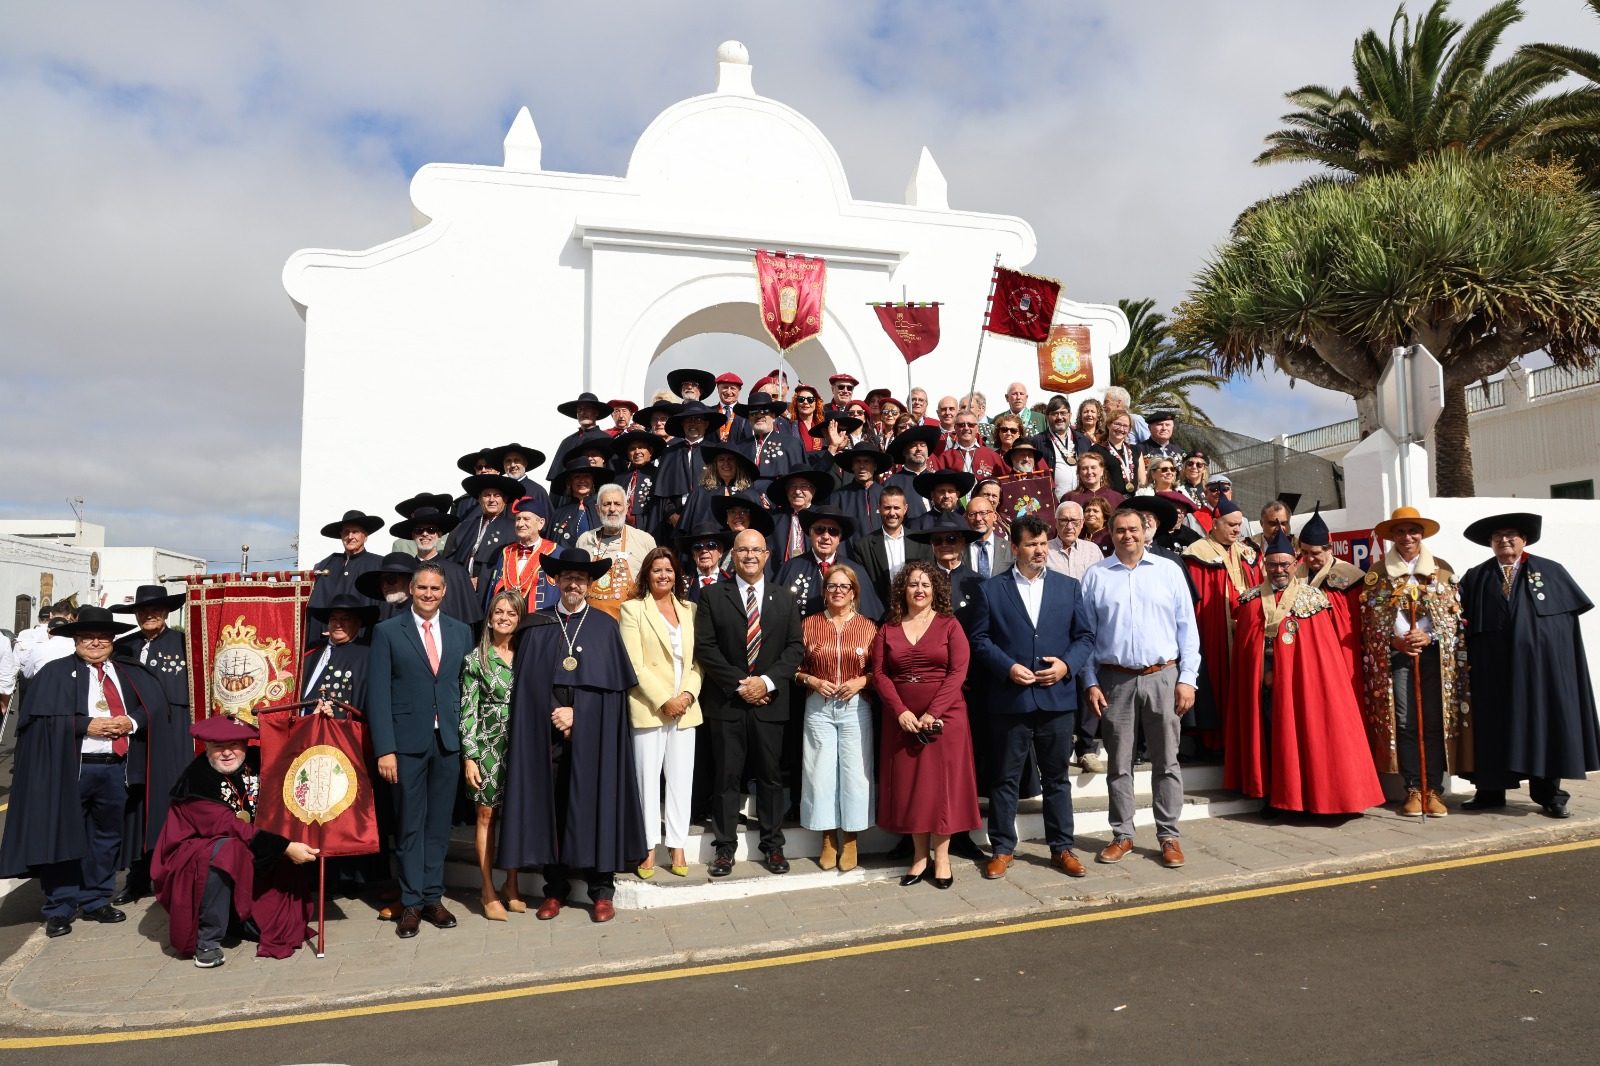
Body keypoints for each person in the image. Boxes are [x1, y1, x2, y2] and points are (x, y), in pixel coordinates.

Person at [0, 606, 168, 938]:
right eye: (88, 637)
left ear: (112, 640)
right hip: (70, 769)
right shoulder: (54, 673)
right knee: (62, 836)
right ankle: (60, 907)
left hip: (115, 769)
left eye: (102, 637)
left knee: (105, 838)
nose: (95, 642)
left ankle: (95, 900)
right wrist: (85, 724)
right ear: (76, 639)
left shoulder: (128, 671)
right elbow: (38, 722)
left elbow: (151, 706)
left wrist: (131, 722)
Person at [498, 549, 645, 923]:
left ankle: (601, 890)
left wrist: (580, 714)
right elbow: (528, 684)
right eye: (567, 577)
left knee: (598, 803)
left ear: (590, 583)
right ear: (555, 581)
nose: (573, 584)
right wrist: (555, 713)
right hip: (546, 734)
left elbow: (614, 694)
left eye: (580, 578)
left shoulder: (604, 626)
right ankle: (555, 889)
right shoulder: (537, 625)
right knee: (555, 807)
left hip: (593, 736)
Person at [968, 515, 1096, 880]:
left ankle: (1062, 848)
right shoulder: (991, 590)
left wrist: (1066, 667)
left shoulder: (1069, 587)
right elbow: (979, 640)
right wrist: (1007, 668)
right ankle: (1003, 849)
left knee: (1057, 778)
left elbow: (1085, 637)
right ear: (1015, 548)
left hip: (1056, 698)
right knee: (1005, 779)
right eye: (1032, 545)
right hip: (1010, 700)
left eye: (1043, 543)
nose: (1040, 550)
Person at [1227, 533, 1385, 816]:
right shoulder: (1251, 601)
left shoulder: (1313, 601)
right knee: (1271, 740)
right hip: (1264, 687)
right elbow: (1246, 650)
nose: (1279, 570)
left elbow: (1322, 653)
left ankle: (1315, 797)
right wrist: (1263, 673)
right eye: (1273, 564)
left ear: (1294, 563)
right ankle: (1277, 798)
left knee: (1309, 737)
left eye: (1285, 564)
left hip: (1303, 687)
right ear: (1265, 565)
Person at [1081, 508, 1201, 869]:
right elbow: (1085, 636)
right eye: (1119, 530)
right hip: (1114, 679)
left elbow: (1188, 631)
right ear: (1111, 534)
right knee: (1119, 763)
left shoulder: (1168, 572)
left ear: (1146, 532)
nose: (1127, 536)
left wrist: (1187, 679)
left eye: (1133, 529)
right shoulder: (1096, 576)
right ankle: (1123, 835)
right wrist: (1089, 680)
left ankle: (1168, 835)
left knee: (1167, 761)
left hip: (1163, 676)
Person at [1459, 512, 1598, 818]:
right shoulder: (1476, 576)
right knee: (1492, 727)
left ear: (1525, 539)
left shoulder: (1551, 571)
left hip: (1539, 672)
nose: (1504, 541)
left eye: (1510, 535)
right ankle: (1490, 791)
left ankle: (1550, 795)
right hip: (1491, 671)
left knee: (1542, 724)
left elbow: (1563, 630)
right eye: (1497, 537)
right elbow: (1458, 619)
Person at [151, 714, 318, 966]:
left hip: (245, 847)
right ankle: (207, 941)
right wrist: (284, 847)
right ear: (206, 747)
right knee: (226, 850)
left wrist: (319, 719)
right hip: (193, 858)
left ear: (245, 745)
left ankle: (238, 919)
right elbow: (230, 827)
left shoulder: (253, 762)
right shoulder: (196, 781)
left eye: (234, 746)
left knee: (276, 929)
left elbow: (296, 749)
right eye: (219, 747)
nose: (227, 753)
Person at [367, 562, 473, 937]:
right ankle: (410, 903)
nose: (429, 594)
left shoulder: (461, 633)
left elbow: (467, 691)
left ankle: (432, 897)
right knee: (410, 826)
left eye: (435, 589)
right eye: (423, 588)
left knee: (438, 826)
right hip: (405, 745)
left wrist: (468, 744)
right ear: (412, 590)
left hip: (447, 742)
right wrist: (385, 749)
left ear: (444, 592)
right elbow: (377, 694)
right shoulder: (387, 632)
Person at [694, 529, 806, 877]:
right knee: (726, 778)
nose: (750, 556)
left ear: (768, 555)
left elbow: (794, 649)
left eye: (756, 550)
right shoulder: (713, 595)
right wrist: (741, 685)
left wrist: (766, 682)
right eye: (743, 550)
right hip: (728, 703)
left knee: (770, 779)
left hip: (770, 702)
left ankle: (772, 847)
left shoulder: (784, 598)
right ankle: (724, 849)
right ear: (733, 554)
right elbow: (706, 647)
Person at [871, 561, 980, 889]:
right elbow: (879, 674)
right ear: (903, 590)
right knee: (912, 788)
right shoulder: (888, 628)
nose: (919, 590)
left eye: (926, 585)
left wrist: (932, 713)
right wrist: (900, 711)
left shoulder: (949, 625)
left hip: (945, 718)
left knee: (942, 789)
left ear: (936, 591)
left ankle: (943, 857)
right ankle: (919, 857)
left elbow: (958, 672)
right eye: (913, 584)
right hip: (902, 721)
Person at [1358, 507, 1469, 818]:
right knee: (1405, 721)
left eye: (1412, 531)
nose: (1407, 537)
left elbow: (1452, 617)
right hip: (1397, 657)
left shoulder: (1442, 571)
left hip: (1433, 657)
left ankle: (1433, 787)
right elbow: (1371, 620)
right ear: (1392, 536)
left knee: (1433, 721)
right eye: (1400, 532)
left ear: (1422, 534)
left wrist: (1428, 636)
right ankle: (1413, 788)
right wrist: (1395, 639)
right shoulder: (1377, 574)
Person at [620, 547, 703, 879]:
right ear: (646, 575)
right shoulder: (632, 610)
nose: (663, 576)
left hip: (685, 709)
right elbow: (634, 663)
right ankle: (648, 845)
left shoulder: (691, 609)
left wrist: (685, 695)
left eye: (669, 570)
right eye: (657, 571)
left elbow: (698, 662)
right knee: (647, 780)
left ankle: (678, 844)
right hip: (650, 708)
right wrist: (663, 700)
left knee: (681, 780)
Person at [109, 583, 192, 905]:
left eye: (155, 610)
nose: (148, 615)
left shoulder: (185, 643)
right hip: (137, 736)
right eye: (142, 611)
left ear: (167, 612)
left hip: (175, 732)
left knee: (174, 799)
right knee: (137, 804)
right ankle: (137, 876)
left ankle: (174, 873)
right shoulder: (123, 647)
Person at [794, 563, 878, 873]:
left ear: (854, 592)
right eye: (832, 586)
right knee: (820, 772)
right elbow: (792, 666)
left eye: (844, 586)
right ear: (824, 592)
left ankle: (852, 838)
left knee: (855, 773)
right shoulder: (809, 624)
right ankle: (828, 838)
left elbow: (880, 671)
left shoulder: (869, 627)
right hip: (818, 707)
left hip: (856, 707)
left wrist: (861, 681)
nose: (838, 591)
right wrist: (812, 681)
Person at [460, 589, 526, 920]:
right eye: (499, 612)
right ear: (490, 617)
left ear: (520, 618)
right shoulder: (476, 660)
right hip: (488, 745)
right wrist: (469, 756)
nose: (504, 618)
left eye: (511, 613)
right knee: (487, 816)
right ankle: (487, 891)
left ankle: (511, 885)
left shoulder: (527, 654)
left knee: (515, 815)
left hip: (522, 744)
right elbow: (468, 709)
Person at [1184, 495, 1261, 752]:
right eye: (1230, 525)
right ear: (1214, 524)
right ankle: (1216, 742)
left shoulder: (1248, 553)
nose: (1237, 530)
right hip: (1214, 629)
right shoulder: (1197, 554)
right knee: (1216, 678)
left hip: (1245, 631)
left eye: (1239, 525)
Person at [1294, 507, 1364, 679]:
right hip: (1303, 651)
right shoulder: (1295, 573)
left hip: (1336, 651)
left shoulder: (1349, 575)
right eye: (1304, 552)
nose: (1309, 559)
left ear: (1329, 548)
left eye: (1315, 553)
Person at [387, 506, 482, 625]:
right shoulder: (404, 572)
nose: (425, 534)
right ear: (413, 535)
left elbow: (468, 620)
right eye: (419, 530)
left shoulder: (457, 572)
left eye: (431, 530)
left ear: (439, 534)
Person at [577, 483, 658, 619]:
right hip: (590, 622)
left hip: (632, 623)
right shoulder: (585, 540)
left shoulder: (644, 540)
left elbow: (655, 585)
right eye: (607, 504)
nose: (612, 509)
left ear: (626, 508)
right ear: (598, 509)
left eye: (618, 504)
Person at [848, 485, 932, 607]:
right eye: (887, 508)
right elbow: (863, 588)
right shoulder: (863, 546)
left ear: (905, 509)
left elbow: (929, 581)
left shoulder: (921, 542)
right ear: (879, 509)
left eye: (896, 508)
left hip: (916, 613)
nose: (892, 513)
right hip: (880, 614)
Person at [655, 399, 727, 527]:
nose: (693, 423)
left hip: (709, 515)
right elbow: (662, 490)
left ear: (706, 424)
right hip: (677, 516)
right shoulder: (669, 453)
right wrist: (671, 514)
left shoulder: (716, 452)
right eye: (688, 420)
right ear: (682, 424)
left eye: (698, 419)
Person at [449, 473, 522, 590]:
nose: (492, 500)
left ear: (505, 499)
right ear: (479, 499)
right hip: (460, 589)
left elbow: (514, 567)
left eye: (497, 495)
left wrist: (482, 581)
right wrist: (463, 581)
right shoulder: (465, 526)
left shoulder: (513, 529)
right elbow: (451, 560)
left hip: (491, 592)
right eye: (487, 495)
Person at [487, 496, 558, 612]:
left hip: (537, 620)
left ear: (540, 523)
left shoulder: (555, 553)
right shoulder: (506, 552)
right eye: (518, 519)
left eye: (526, 519)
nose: (520, 524)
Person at [308, 509, 386, 611]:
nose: (350, 537)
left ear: (365, 536)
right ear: (341, 536)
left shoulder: (379, 564)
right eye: (346, 532)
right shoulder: (326, 565)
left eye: (355, 532)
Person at [613, 429, 666, 540]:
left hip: (651, 527)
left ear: (650, 452)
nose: (637, 452)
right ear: (628, 454)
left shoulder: (660, 475)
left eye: (641, 447)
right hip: (622, 532)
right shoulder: (619, 479)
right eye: (632, 449)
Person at [549, 391, 614, 476]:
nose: (583, 412)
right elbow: (556, 476)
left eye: (588, 409)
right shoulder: (567, 442)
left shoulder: (607, 440)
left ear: (596, 412)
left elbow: (617, 474)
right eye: (580, 409)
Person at [832, 443, 891, 536]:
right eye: (857, 461)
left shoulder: (885, 495)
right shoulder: (839, 497)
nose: (862, 466)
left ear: (875, 466)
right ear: (852, 466)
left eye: (866, 461)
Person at [932, 409, 1008, 479]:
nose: (966, 428)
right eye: (961, 425)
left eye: (970, 425)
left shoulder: (992, 456)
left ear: (977, 428)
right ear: (955, 428)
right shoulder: (945, 457)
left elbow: (1007, 480)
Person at [1093, 412, 1146, 496]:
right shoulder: (1096, 450)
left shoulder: (1136, 450)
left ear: (1129, 430)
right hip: (1109, 500)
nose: (1121, 429)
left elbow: (1142, 480)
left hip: (1134, 501)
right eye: (1117, 424)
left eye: (1125, 426)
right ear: (1108, 425)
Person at [1047, 501, 1102, 580]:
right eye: (1064, 520)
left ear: (1082, 523)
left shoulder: (1093, 550)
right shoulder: (1044, 550)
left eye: (1074, 521)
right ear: (1056, 523)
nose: (1069, 527)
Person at [678, 524, 732, 602]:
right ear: (693, 555)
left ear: (720, 552)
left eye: (711, 545)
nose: (704, 551)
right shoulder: (682, 584)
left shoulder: (732, 583)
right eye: (697, 547)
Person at [963, 495, 1012, 580]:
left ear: (994, 516)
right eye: (972, 514)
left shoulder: (1011, 549)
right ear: (966, 519)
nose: (978, 518)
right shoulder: (958, 550)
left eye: (983, 513)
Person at [789, 383, 825, 450]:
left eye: (810, 399)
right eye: (801, 399)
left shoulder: (822, 427)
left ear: (816, 403)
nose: (805, 402)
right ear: (796, 403)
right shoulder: (789, 426)